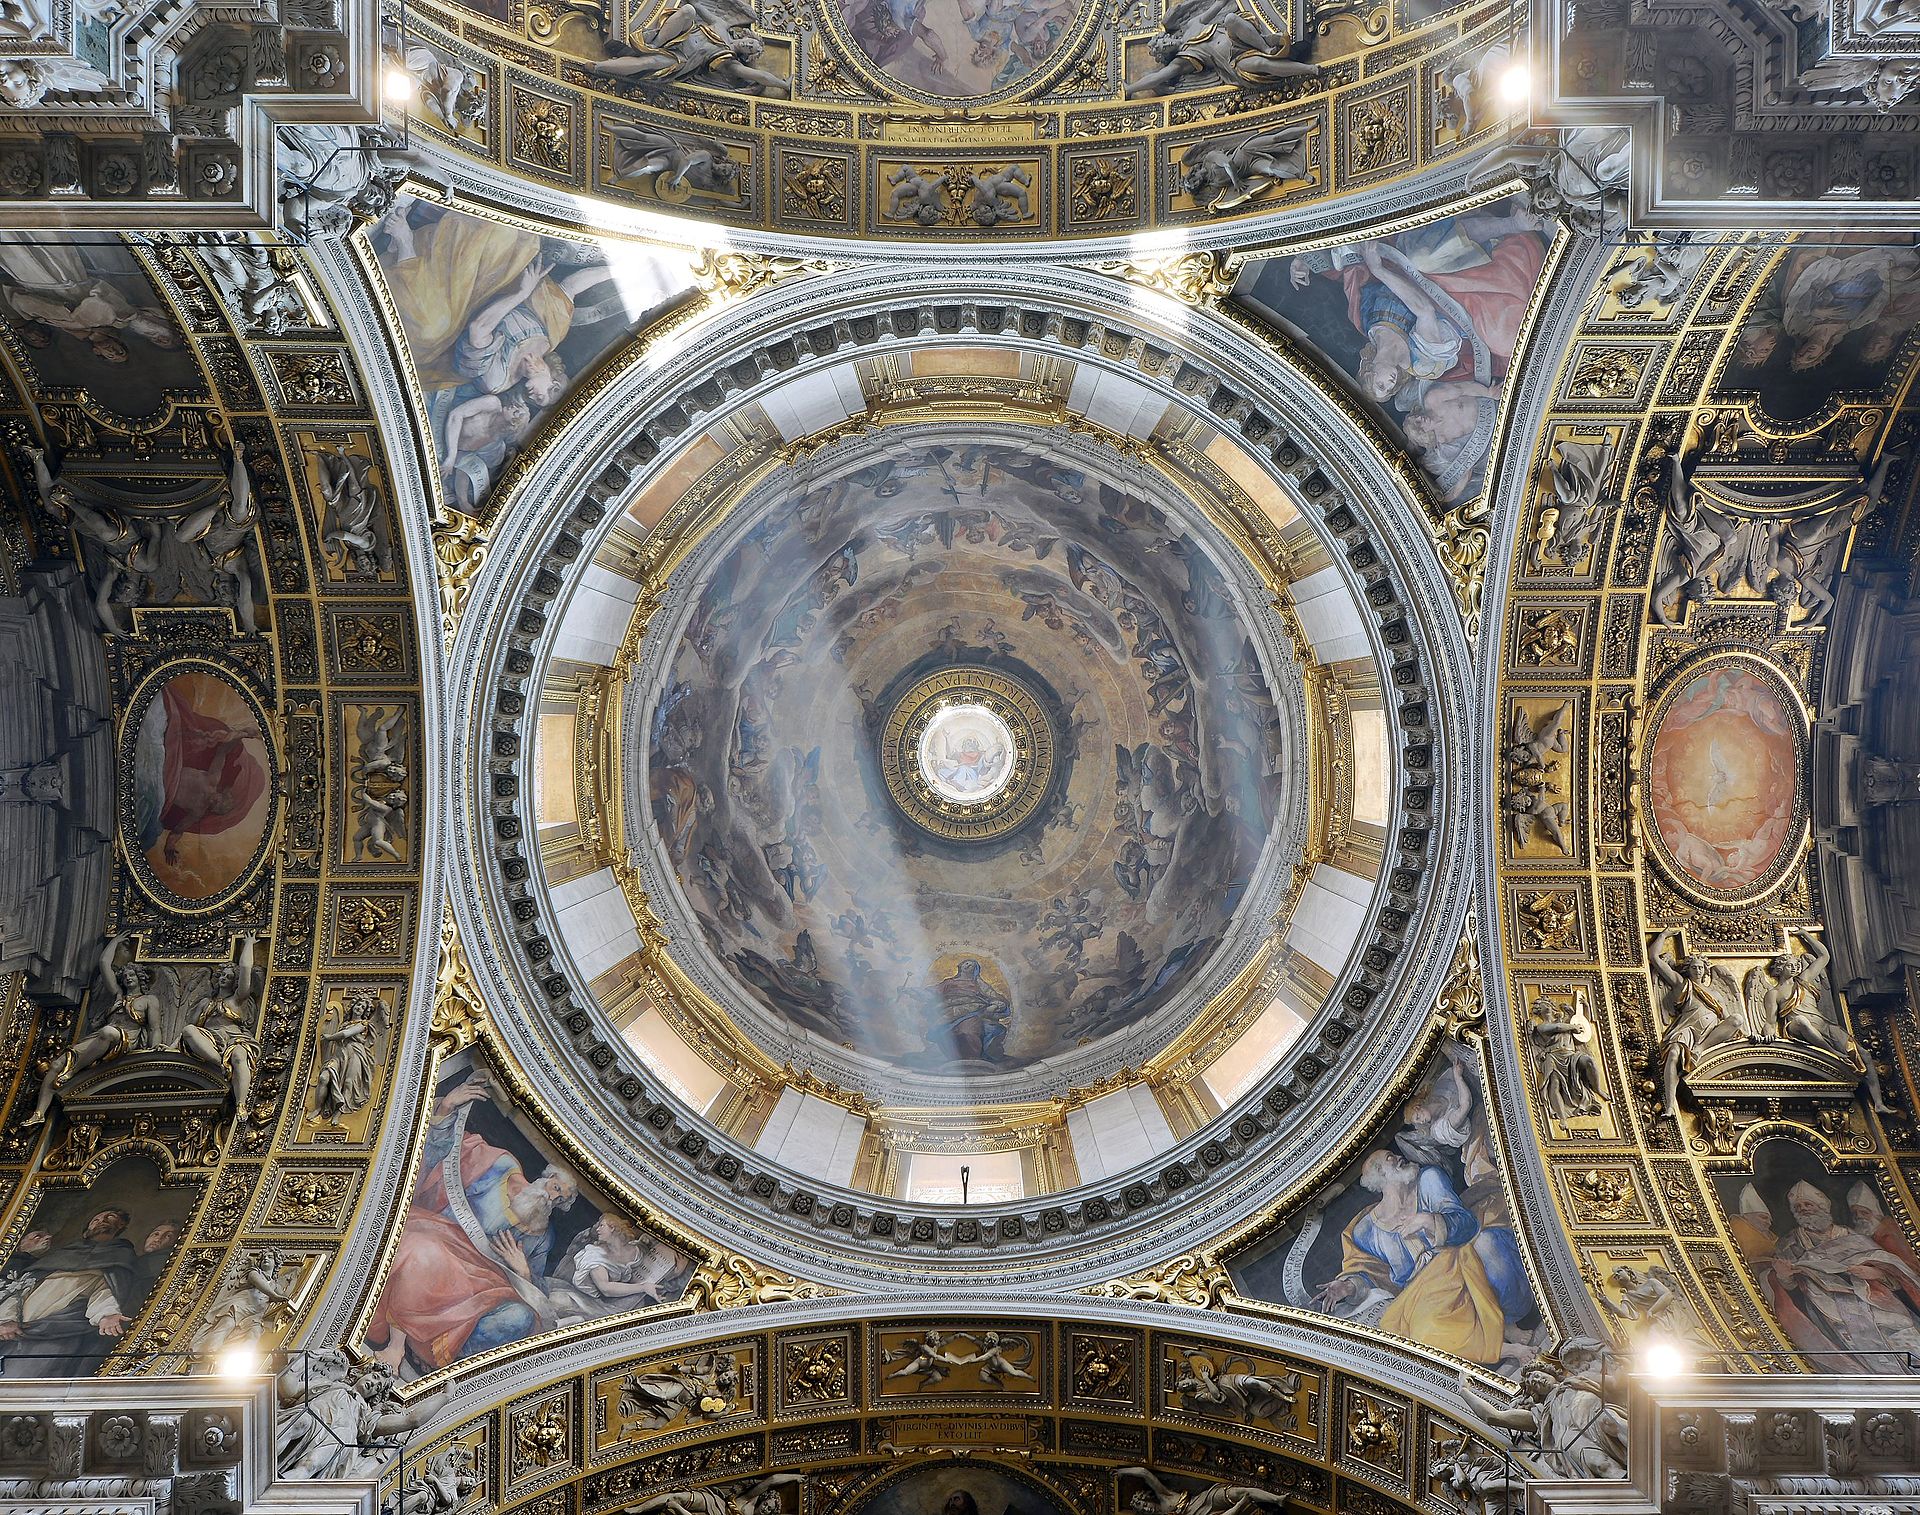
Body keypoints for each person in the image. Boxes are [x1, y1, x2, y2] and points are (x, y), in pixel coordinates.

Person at [365, 1073, 583, 1373]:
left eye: (562, 1200)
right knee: (423, 1250)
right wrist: (445, 1110)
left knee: (519, 1318)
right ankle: (397, 1345)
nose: (554, 1198)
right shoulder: (500, 1166)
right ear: (546, 1178)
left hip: (483, 1281)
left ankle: (433, 1360)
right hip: (437, 1234)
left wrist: (524, 1271)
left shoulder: (542, 1235)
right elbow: (443, 1155)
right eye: (556, 1188)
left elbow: (538, 1288)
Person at [1313, 1150, 1511, 1365]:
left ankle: (1504, 1335)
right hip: (1420, 1290)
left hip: (1456, 1262)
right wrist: (1349, 1286)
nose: (1399, 1157)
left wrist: (1429, 1220)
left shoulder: (1428, 1180)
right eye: (1391, 1159)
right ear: (1380, 1175)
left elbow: (1467, 1225)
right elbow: (1372, 1273)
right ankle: (1501, 1346)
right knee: (1415, 1336)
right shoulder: (1365, 1230)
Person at [1760, 1180, 1920, 1370]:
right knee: (1870, 1361)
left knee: (1907, 1340)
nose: (1803, 1209)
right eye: (1798, 1207)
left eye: (1808, 1204)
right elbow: (1791, 1291)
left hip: (1877, 1302)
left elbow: (1895, 1275)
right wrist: (1785, 1277)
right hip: (1832, 1312)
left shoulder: (1852, 1236)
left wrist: (1875, 1272)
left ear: (1822, 1207)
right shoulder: (1788, 1245)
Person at [0, 1208, 140, 1378]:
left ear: (121, 1225)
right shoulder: (62, 1253)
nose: (101, 1220)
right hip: (15, 1328)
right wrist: (7, 1319)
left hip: (58, 1332)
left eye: (109, 1218)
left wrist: (107, 1315)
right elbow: (22, 1287)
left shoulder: (118, 1255)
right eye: (96, 1218)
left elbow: (105, 1290)